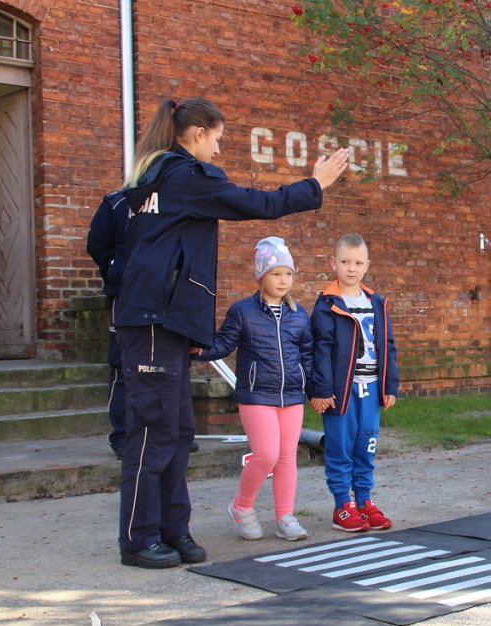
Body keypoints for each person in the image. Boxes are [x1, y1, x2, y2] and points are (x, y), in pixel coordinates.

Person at [114, 97, 349, 569]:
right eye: (218, 139)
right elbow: (254, 203)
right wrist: (313, 186)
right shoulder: (179, 176)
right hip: (153, 323)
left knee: (179, 434)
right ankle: (139, 539)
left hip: (171, 323)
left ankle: (173, 530)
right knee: (151, 436)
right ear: (197, 133)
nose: (219, 150)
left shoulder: (155, 181)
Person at [194, 237, 313, 542]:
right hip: (257, 394)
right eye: (276, 273)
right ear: (262, 276)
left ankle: (284, 517)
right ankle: (242, 507)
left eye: (288, 273)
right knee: (266, 455)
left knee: (287, 457)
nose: (283, 279)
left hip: (292, 396)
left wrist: (313, 387)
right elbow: (223, 343)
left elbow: (307, 354)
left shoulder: (299, 313)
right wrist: (198, 350)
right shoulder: (243, 311)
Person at [311, 233, 400, 532]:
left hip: (372, 387)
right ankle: (342, 506)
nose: (351, 268)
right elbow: (319, 350)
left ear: (367, 265)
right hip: (341, 391)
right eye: (345, 262)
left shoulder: (377, 303)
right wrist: (322, 390)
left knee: (366, 446)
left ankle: (363, 501)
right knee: (340, 448)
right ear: (333, 263)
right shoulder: (327, 305)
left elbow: (387, 345)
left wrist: (390, 385)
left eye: (358, 262)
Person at [85, 189, 129, 457]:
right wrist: (115, 269)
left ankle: (174, 433)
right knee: (122, 363)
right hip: (124, 294)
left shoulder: (175, 196)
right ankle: (123, 436)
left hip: (165, 297)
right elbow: (97, 244)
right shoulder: (117, 203)